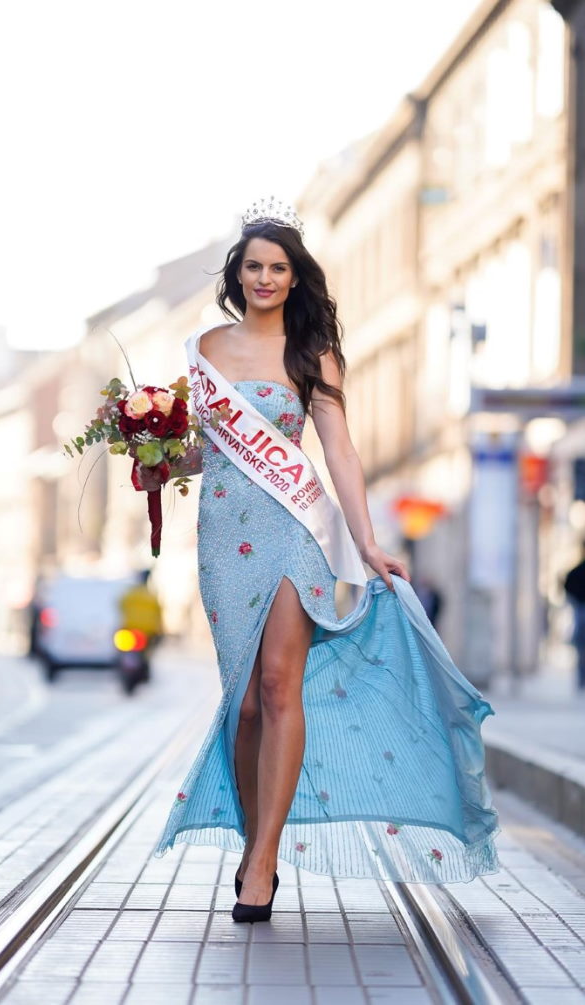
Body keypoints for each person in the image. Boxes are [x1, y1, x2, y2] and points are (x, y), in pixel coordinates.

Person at [148, 200, 499, 922]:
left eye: (278, 267)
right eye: (254, 267)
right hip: (223, 536)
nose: (266, 278)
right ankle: (254, 840)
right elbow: (200, 449)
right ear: (237, 275)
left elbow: (338, 448)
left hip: (294, 530)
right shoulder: (205, 350)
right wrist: (155, 459)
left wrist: (367, 543)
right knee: (243, 704)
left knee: (280, 687)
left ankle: (264, 862)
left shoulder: (314, 355)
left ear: (296, 276)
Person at [118, 569, 163, 638]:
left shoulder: (131, 594)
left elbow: (121, 606)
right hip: (147, 632)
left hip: (131, 629)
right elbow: (158, 614)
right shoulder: (151, 596)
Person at [564, 543, 585, 689]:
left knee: (580, 646)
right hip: (580, 607)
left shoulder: (577, 570)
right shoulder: (578, 570)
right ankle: (581, 676)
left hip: (579, 607)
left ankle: (581, 677)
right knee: (580, 645)